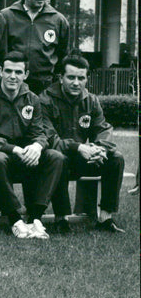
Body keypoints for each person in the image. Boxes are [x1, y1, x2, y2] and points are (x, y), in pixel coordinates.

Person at [0, 51, 66, 239]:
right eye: (8, 71)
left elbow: (40, 132)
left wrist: (37, 146)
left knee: (56, 156)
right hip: (1, 156)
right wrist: (12, 148)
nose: (13, 76)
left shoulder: (32, 98)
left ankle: (36, 219)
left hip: (26, 156)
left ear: (26, 74)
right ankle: (15, 220)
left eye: (18, 72)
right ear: (0, 71)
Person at [40, 54, 125, 233]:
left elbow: (103, 128)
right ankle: (61, 219)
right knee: (58, 158)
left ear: (86, 78)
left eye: (81, 78)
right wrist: (79, 147)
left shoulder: (91, 100)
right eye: (71, 77)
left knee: (116, 158)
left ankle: (105, 218)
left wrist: (99, 148)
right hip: (52, 160)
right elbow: (49, 138)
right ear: (60, 78)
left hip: (82, 159)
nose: (76, 83)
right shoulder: (45, 100)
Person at [2, 0, 70, 94]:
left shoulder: (58, 20)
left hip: (45, 88)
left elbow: (63, 56)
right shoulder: (6, 17)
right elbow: (0, 52)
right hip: (13, 85)